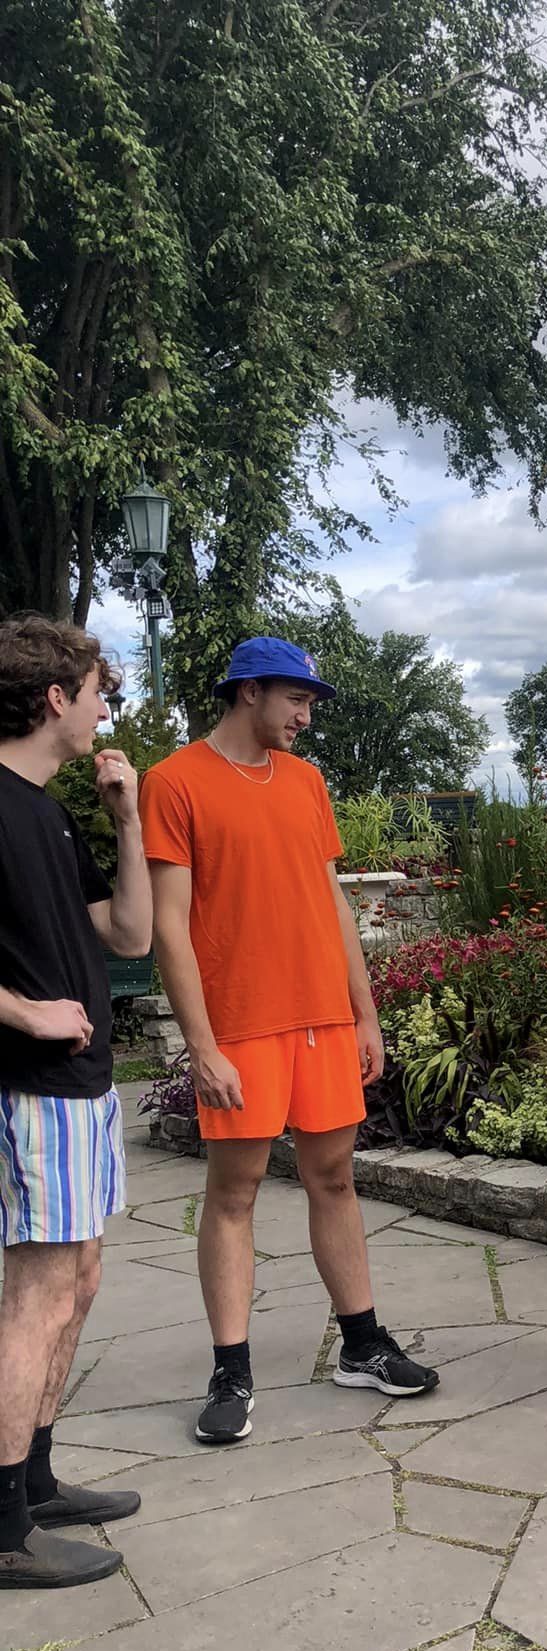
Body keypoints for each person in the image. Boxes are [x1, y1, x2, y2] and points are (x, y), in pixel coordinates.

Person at [139, 636, 438, 1446]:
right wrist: (202, 1045)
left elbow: (331, 901)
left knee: (334, 1178)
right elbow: (169, 924)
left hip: (323, 1020)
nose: (307, 717)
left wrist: (364, 1013)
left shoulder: (306, 782)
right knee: (234, 1193)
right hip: (241, 1025)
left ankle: (362, 1344)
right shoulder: (174, 782)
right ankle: (230, 1372)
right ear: (250, 691)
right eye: (297, 700)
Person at [0, 614, 152, 1589]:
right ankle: (2, 1526)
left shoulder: (49, 811)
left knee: (79, 1280)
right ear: (55, 697)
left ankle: (37, 1481)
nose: (106, 711)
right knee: (38, 1294)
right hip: (31, 1089)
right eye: (99, 693)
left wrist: (126, 818)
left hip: (83, 1091)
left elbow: (130, 934)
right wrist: (24, 1011)